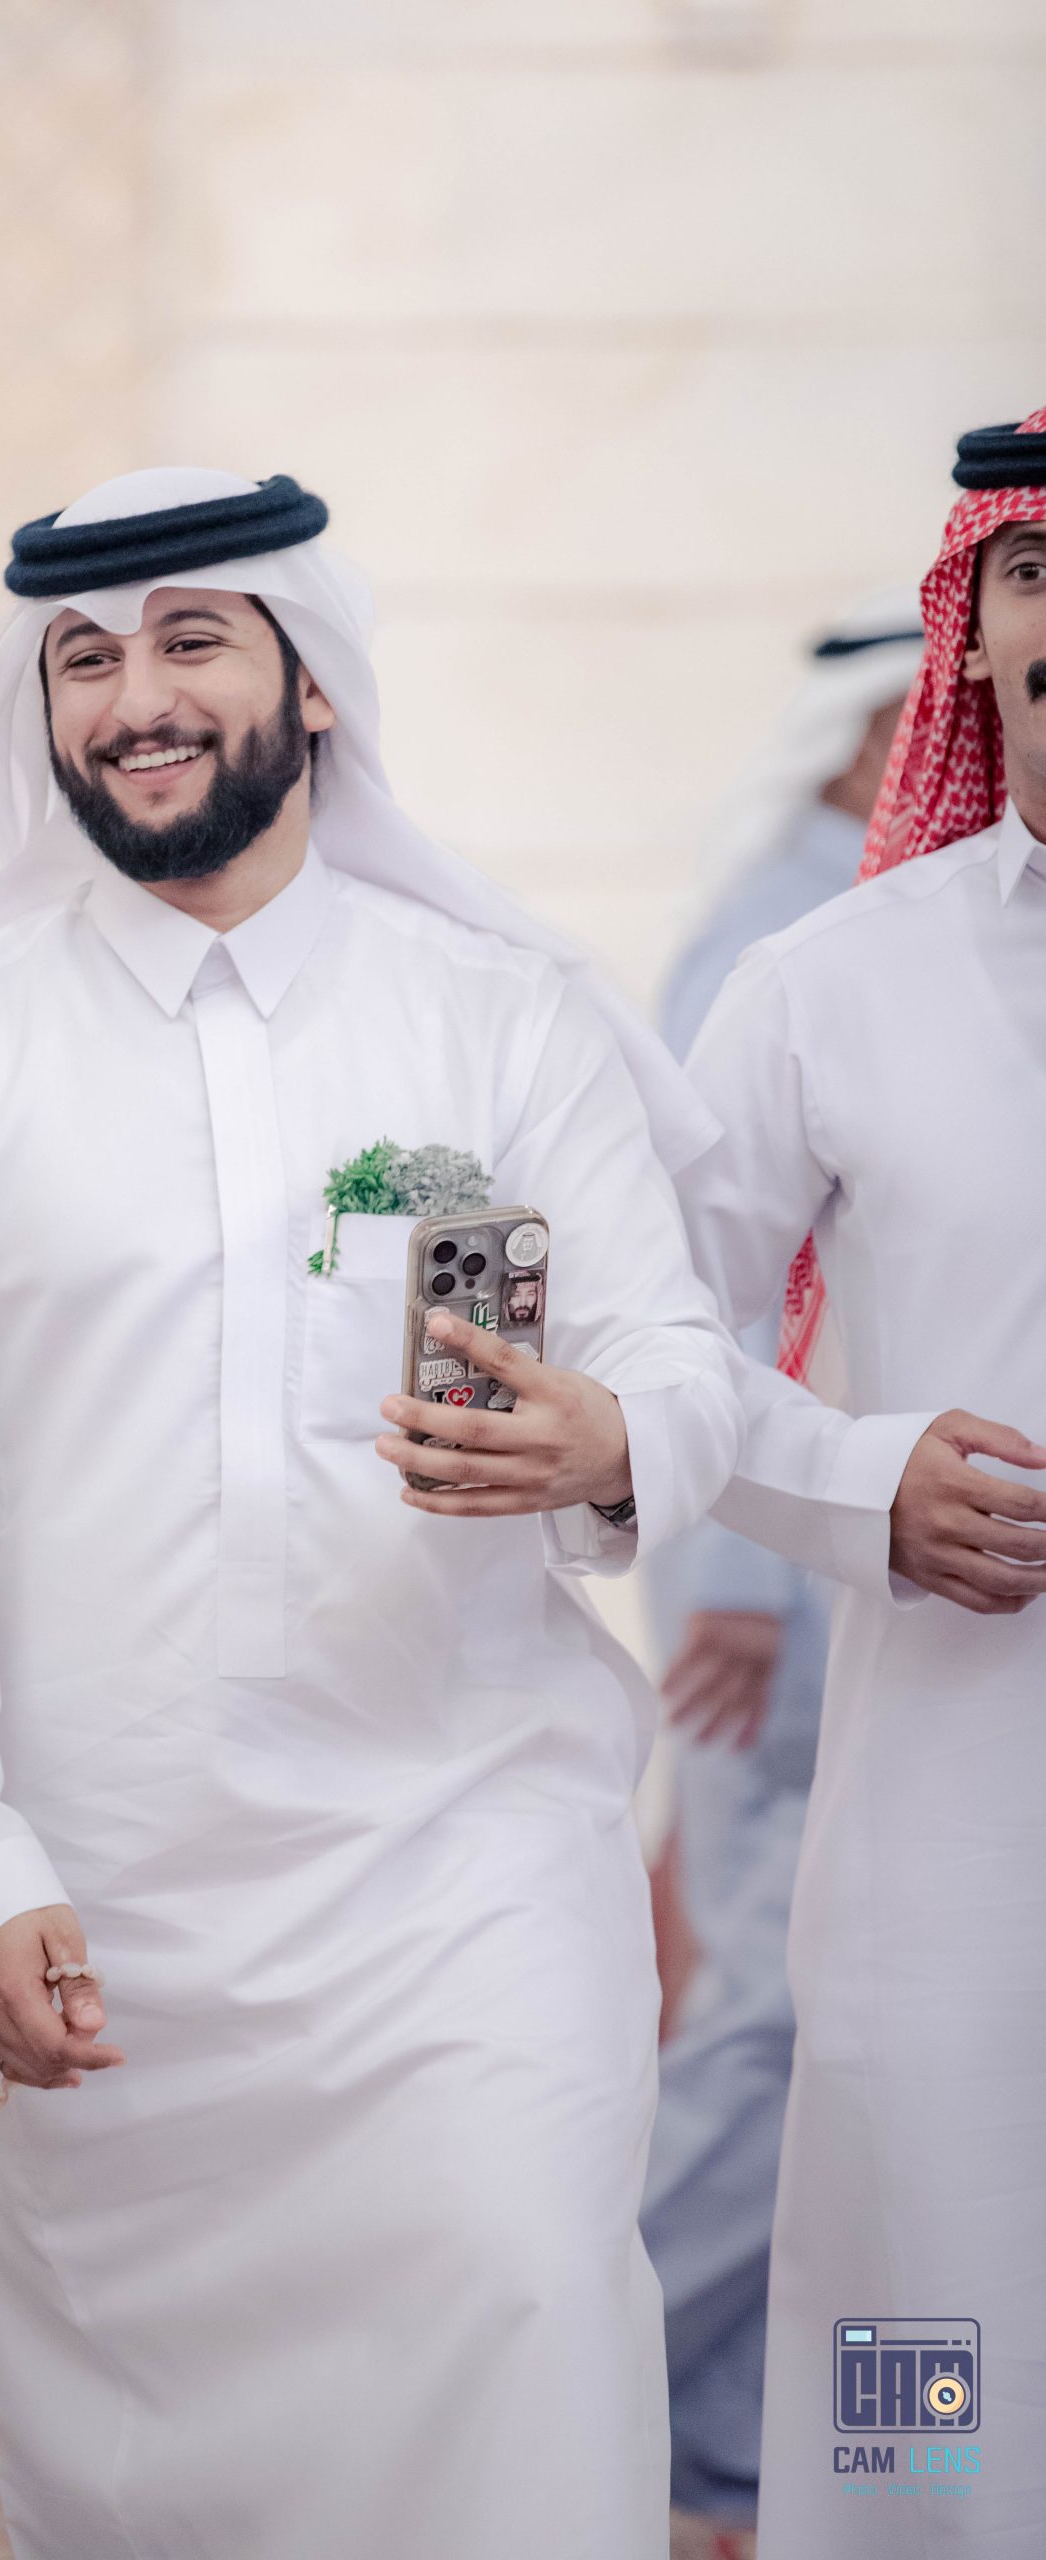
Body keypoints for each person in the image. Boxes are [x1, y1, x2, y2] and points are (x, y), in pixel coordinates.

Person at [0, 466, 741, 2560]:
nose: (132, 696)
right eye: (83, 658)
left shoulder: (502, 1019)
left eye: (188, 641)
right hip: (103, 1913)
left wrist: (602, 1436)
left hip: (463, 1869)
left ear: (308, 681)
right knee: (161, 2489)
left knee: (525, 2321)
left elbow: (672, 1349)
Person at [680, 408, 1046, 2557]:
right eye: (1034, 571)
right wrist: (855, 1483)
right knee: (926, 2339)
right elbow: (653, 1340)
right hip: (947, 1815)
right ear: (970, 630)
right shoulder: (829, 980)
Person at [640, 600, 920, 2547]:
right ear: (863, 738)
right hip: (790, 1586)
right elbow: (693, 1280)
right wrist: (730, 1582)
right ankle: (588, 2358)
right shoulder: (784, 933)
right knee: (774, 2012)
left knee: (879, 2044)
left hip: (911, 1573)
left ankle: (737, 2450)